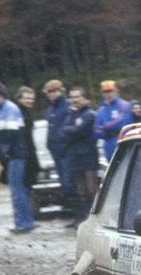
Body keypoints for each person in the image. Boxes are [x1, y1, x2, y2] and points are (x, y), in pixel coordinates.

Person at [0, 80, 34, 233]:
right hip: (16, 155)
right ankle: (26, 222)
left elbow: (9, 136)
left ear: (1, 96)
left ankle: (22, 224)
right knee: (19, 189)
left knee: (17, 190)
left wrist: (5, 154)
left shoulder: (8, 109)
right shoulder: (5, 110)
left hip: (15, 156)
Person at [62, 86, 100, 227]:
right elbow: (63, 131)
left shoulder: (90, 114)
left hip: (88, 157)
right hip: (75, 157)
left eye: (77, 97)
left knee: (92, 189)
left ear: (84, 98)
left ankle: (98, 218)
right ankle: (84, 218)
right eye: (72, 97)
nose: (74, 100)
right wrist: (72, 131)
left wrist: (71, 131)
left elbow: (80, 131)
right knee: (81, 190)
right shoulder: (70, 115)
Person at [43, 79, 75, 204]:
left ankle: (79, 214)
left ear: (61, 91)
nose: (51, 94)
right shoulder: (50, 109)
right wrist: (49, 145)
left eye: (54, 91)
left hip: (66, 151)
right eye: (49, 92)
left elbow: (68, 129)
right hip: (56, 152)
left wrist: (63, 143)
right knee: (64, 183)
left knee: (69, 182)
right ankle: (73, 212)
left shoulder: (67, 106)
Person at [94, 80, 132, 160]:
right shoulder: (101, 110)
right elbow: (96, 131)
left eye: (110, 91)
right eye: (105, 92)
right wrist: (109, 129)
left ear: (116, 91)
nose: (108, 94)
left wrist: (106, 126)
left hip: (123, 144)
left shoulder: (124, 105)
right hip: (108, 147)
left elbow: (124, 124)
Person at [14, 86, 41, 193]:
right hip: (25, 154)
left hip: (28, 152)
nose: (30, 101)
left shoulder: (26, 112)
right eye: (27, 98)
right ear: (19, 98)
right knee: (25, 187)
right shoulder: (19, 113)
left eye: (32, 99)